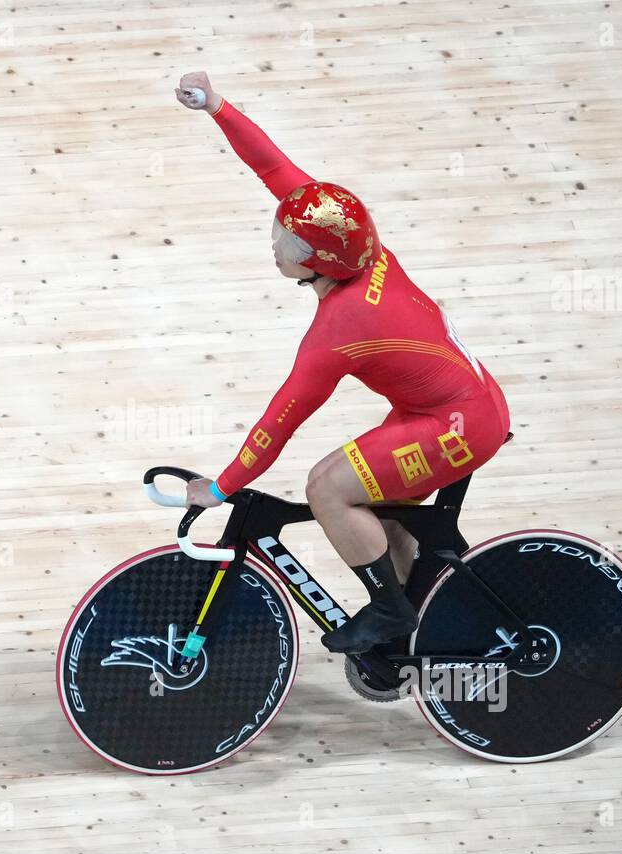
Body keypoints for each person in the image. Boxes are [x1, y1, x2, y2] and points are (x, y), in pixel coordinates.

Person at [174, 72, 512, 656]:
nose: (275, 239)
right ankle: (412, 621)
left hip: (455, 424)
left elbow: (281, 419)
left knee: (328, 489)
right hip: (460, 404)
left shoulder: (338, 331)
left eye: (285, 240)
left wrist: (222, 486)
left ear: (314, 262)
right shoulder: (359, 244)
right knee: (381, 510)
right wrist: (218, 107)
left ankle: (390, 613)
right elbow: (275, 169)